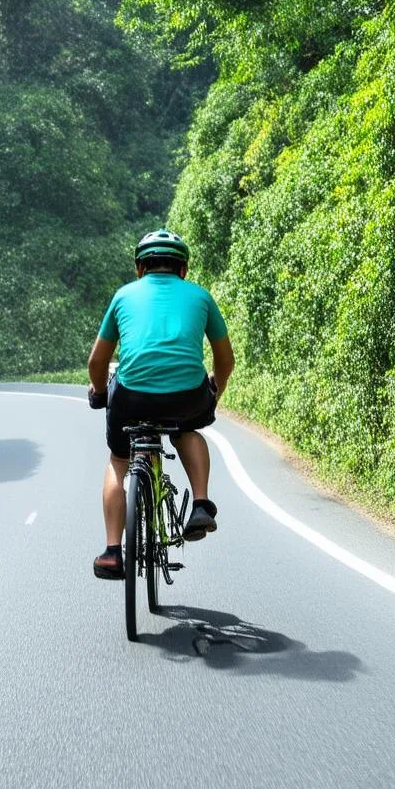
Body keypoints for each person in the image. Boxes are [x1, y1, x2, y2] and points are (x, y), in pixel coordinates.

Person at [87, 229, 235, 579]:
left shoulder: (123, 296)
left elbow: (97, 362)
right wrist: (216, 389)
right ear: (183, 269)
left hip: (132, 394)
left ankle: (112, 551)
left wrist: (97, 391)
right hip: (187, 395)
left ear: (140, 267)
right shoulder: (201, 296)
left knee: (119, 459)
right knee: (187, 429)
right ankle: (200, 503)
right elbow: (225, 358)